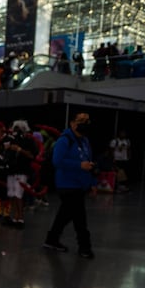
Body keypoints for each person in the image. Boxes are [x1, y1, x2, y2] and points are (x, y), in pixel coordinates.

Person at [43, 111, 97, 259]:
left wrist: (92, 183)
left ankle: (51, 240)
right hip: (67, 185)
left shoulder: (85, 141)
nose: (85, 123)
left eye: (87, 120)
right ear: (72, 123)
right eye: (81, 120)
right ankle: (84, 247)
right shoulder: (64, 140)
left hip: (80, 185)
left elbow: (89, 163)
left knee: (65, 214)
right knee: (80, 216)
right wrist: (79, 165)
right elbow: (57, 161)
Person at [4, 121, 38, 228]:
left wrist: (20, 150)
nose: (17, 131)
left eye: (19, 129)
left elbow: (32, 155)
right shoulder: (11, 140)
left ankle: (20, 217)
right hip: (11, 170)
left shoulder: (29, 140)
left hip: (22, 170)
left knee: (19, 194)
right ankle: (15, 216)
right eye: (15, 128)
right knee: (11, 194)